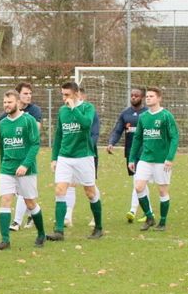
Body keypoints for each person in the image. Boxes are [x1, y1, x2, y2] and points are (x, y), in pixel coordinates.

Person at [0, 89, 45, 249]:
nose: (6, 105)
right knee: (5, 200)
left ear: (18, 103)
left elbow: (35, 144)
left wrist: (25, 165)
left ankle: (41, 233)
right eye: (4, 102)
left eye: (9, 102)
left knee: (30, 203)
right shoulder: (3, 122)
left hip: (26, 169)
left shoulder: (28, 121)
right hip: (7, 168)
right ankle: (5, 240)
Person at [47, 81, 103, 240]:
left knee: (90, 193)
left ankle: (98, 227)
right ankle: (59, 231)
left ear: (76, 94)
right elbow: (58, 135)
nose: (64, 98)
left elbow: (86, 125)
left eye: (67, 95)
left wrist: (74, 108)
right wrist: (54, 158)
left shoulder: (88, 108)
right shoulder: (62, 111)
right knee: (59, 190)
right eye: (62, 94)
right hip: (65, 157)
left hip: (84, 156)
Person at [127, 87, 179, 231]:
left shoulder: (166, 116)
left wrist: (170, 158)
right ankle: (149, 217)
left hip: (162, 160)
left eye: (151, 96)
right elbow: (137, 139)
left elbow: (174, 137)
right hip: (145, 158)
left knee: (162, 191)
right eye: (147, 96)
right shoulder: (143, 117)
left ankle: (162, 222)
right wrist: (131, 159)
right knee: (138, 187)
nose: (148, 98)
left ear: (159, 98)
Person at [106, 87, 149, 223]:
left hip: (146, 153)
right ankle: (148, 212)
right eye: (132, 95)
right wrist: (111, 142)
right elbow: (118, 130)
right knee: (139, 182)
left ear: (142, 98)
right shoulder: (125, 114)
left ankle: (134, 209)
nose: (133, 97)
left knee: (138, 181)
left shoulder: (148, 113)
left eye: (136, 95)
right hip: (131, 153)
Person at [9, 82, 42, 230]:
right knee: (21, 192)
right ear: (18, 96)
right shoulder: (9, 111)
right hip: (12, 155)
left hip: (27, 155)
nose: (29, 96)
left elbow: (36, 130)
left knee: (23, 189)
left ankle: (16, 221)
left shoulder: (34, 111)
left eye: (30, 93)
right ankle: (32, 213)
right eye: (25, 94)